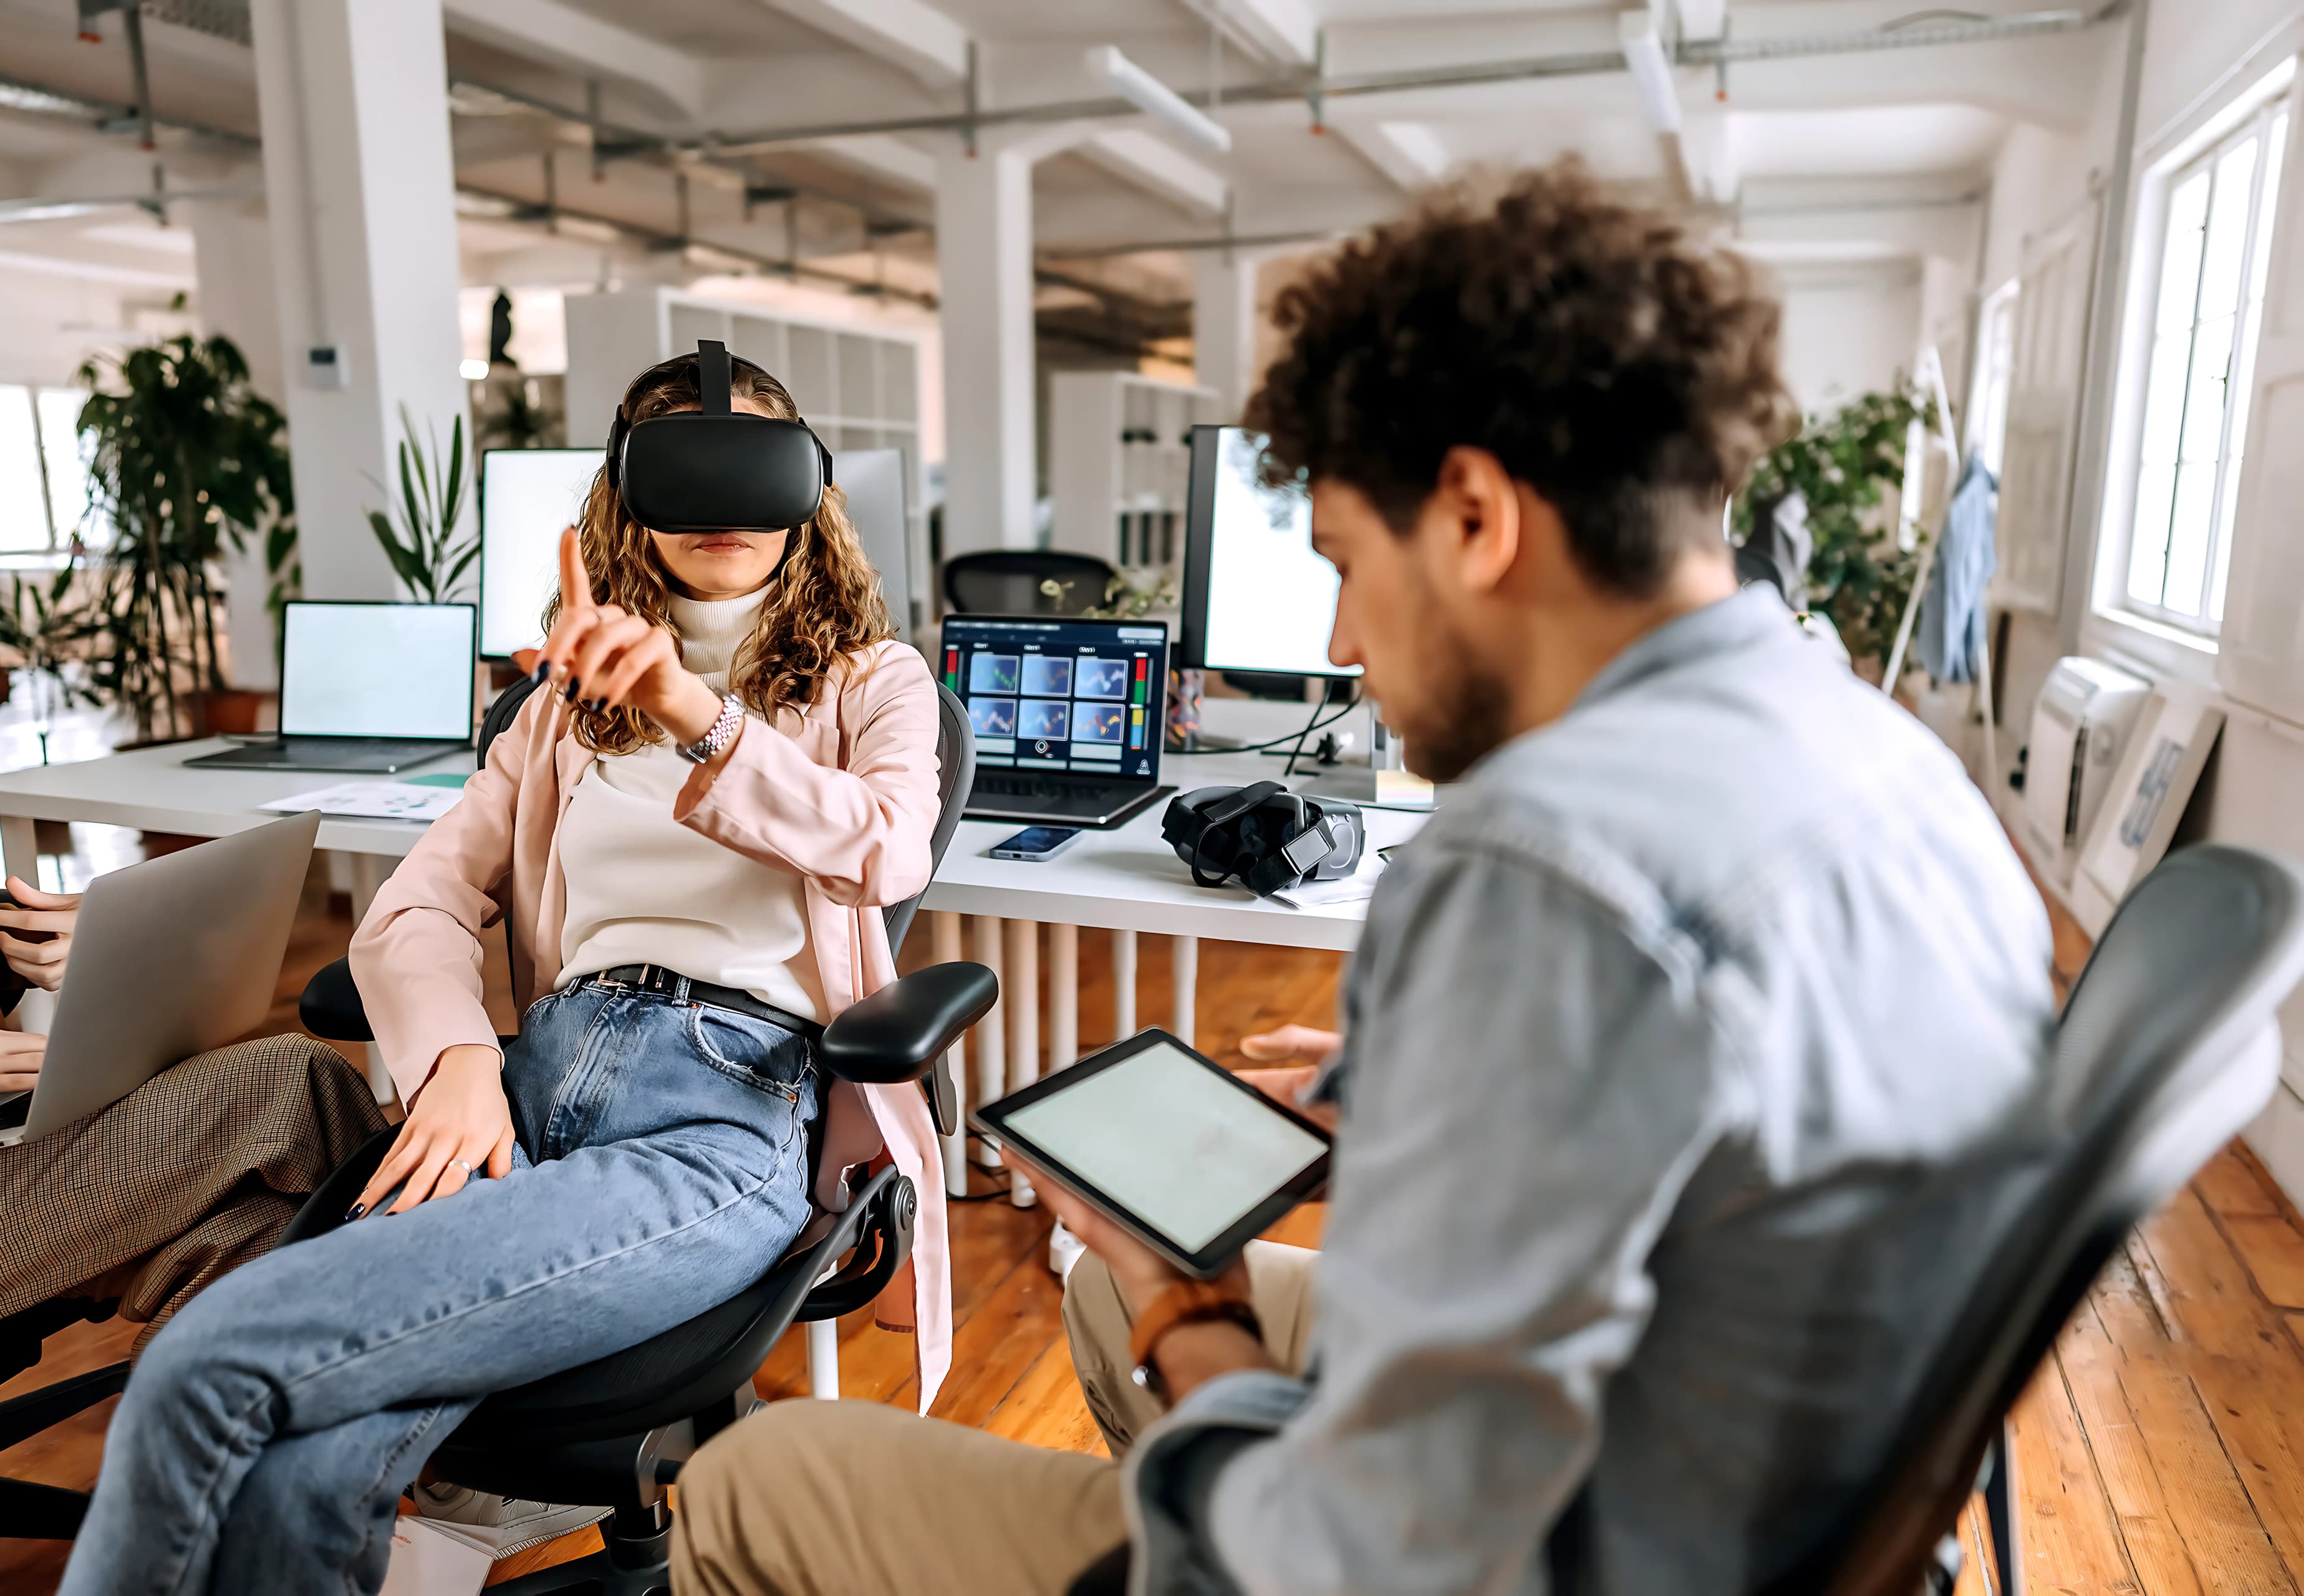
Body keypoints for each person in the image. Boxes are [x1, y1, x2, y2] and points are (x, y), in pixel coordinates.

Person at [665, 160, 2058, 1596]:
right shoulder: (1889, 762)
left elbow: (1349, 1557)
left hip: (1511, 1550)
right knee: (1089, 1282)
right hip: (1753, 1491)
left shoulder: (1533, 864)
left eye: (1340, 555)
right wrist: (1455, 1088)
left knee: (765, 1474)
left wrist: (1183, 1313)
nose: (1336, 631)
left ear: (1471, 513)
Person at [62, 353, 948, 1595]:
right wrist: (460, 1060)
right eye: (683, 473)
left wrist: (696, 711)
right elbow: (415, 902)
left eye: (752, 461)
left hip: (719, 1115)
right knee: (303, 1462)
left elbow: (882, 844)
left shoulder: (874, 682)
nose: (724, 504)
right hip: (525, 1092)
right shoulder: (557, 715)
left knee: (210, 1362)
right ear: (628, 496)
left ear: (808, 485)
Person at [0, 675, 385, 1348]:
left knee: (262, 1228)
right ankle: (459, 1348)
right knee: (286, 1081)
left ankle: (204, 1435)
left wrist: (17, 934)